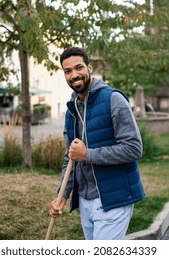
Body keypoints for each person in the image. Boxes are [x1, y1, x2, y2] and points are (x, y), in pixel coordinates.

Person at [49, 47, 145, 240]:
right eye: (67, 71)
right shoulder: (71, 110)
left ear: (90, 67)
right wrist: (63, 195)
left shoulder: (113, 99)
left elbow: (134, 148)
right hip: (85, 200)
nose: (74, 75)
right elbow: (71, 158)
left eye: (78, 68)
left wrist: (88, 155)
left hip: (114, 199)